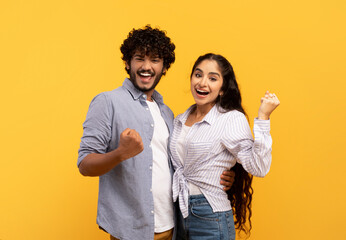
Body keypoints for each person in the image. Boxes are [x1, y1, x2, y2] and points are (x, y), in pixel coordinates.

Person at [77, 26, 234, 240]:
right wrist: (120, 153)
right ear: (127, 63)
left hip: (173, 227)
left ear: (164, 67)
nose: (146, 66)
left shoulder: (167, 113)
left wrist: (218, 176)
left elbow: (182, 165)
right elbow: (85, 164)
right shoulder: (107, 102)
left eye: (155, 60)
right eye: (140, 58)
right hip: (132, 232)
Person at [170, 53, 280, 240]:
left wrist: (263, 118)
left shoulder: (230, 119)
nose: (202, 83)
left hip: (210, 216)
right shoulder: (179, 120)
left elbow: (259, 167)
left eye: (213, 78)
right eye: (198, 75)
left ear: (222, 89)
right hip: (178, 212)